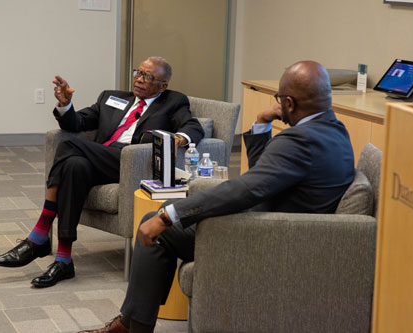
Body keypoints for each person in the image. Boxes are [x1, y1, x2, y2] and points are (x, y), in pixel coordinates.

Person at [83, 60, 356, 333]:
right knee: (164, 214)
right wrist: (261, 122)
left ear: (289, 103)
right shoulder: (336, 131)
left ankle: (131, 327)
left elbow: (247, 188)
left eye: (279, 101)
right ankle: (129, 322)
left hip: (269, 238)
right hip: (289, 230)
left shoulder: (299, 141)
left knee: (158, 225)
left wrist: (169, 216)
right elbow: (267, 176)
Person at [0, 56, 205, 288]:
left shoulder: (173, 102)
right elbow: (76, 123)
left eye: (148, 77)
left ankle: (40, 233)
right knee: (74, 166)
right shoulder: (111, 97)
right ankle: (64, 259)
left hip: (129, 162)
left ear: (163, 85)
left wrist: (178, 138)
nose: (139, 80)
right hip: (98, 159)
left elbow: (193, 127)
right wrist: (65, 105)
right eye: (138, 73)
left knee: (68, 145)